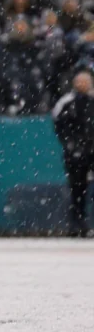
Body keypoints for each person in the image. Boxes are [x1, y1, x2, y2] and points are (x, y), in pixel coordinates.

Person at [52, 70, 94, 237]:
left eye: (86, 81)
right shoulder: (67, 102)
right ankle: (77, 225)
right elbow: (59, 125)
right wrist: (71, 145)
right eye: (80, 81)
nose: (83, 84)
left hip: (91, 151)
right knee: (77, 189)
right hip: (75, 154)